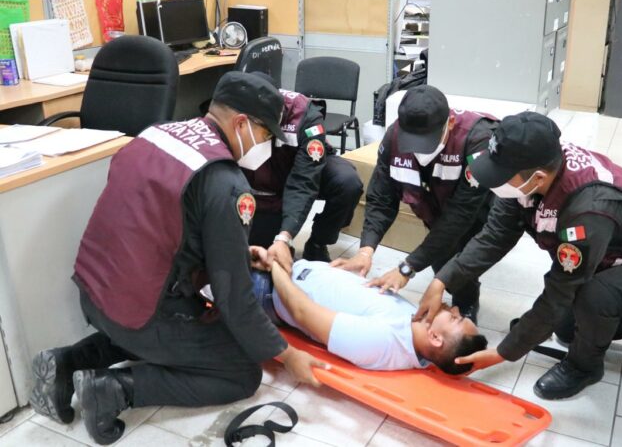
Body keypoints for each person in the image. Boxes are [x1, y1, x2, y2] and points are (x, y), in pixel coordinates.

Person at [29, 72, 326, 445]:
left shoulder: (156, 134)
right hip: (139, 311)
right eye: (265, 134)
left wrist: (236, 251)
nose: (264, 145)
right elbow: (235, 300)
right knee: (241, 371)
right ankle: (115, 389)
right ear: (241, 124)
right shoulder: (225, 182)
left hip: (94, 292)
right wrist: (286, 353)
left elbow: (158, 228)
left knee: (159, 326)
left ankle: (67, 363)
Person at [416, 111, 622, 400]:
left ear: (538, 177)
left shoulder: (586, 210)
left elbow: (559, 292)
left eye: (500, 174)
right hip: (609, 254)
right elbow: (494, 237)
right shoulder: (531, 168)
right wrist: (442, 281)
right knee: (568, 330)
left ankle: (585, 367)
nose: (495, 181)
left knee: (594, 298)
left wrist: (505, 352)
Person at [332, 85, 499, 322]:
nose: (419, 151)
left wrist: (407, 268)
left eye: (426, 142)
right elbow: (381, 197)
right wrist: (365, 250)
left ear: (450, 123)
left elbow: (460, 215)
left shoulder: (476, 140)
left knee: (458, 256)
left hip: (476, 209)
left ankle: (467, 301)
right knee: (440, 259)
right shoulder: (394, 136)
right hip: (433, 204)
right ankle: (460, 286)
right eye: (412, 142)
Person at [241, 255, 487, 373]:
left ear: (435, 338)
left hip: (267, 287)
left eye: (455, 318)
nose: (454, 308)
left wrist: (275, 265)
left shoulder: (380, 342)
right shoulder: (418, 323)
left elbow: (301, 311)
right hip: (288, 267)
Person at [241, 81, 363, 270]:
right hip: (265, 177)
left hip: (304, 166)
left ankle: (318, 243)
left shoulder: (306, 117)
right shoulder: (238, 111)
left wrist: (285, 235)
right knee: (260, 253)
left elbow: (304, 180)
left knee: (347, 182)